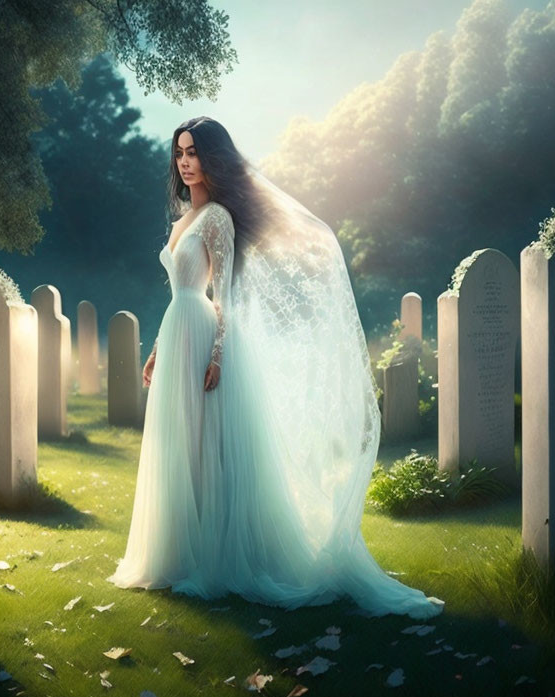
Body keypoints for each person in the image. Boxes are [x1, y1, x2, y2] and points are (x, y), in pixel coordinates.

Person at [107, 117, 444, 619]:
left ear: (212, 158)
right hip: (179, 330)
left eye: (194, 152)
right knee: (181, 446)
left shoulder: (218, 217)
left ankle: (216, 558)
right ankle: (179, 554)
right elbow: (182, 293)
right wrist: (157, 348)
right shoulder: (180, 221)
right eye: (179, 152)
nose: (185, 161)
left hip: (203, 338)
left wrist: (219, 352)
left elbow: (226, 295)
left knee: (210, 445)